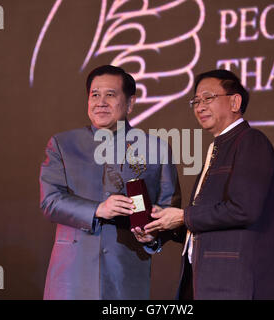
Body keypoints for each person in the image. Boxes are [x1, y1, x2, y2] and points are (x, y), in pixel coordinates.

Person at [39, 65, 181, 299]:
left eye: (110, 95)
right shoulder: (63, 144)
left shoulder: (156, 149)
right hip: (71, 279)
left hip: (126, 276)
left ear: (130, 103)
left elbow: (168, 208)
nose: (101, 102)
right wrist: (97, 209)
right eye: (95, 95)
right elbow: (50, 201)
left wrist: (153, 236)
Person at [143, 69, 274, 299]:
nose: (200, 106)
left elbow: (244, 209)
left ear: (235, 101)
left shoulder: (251, 141)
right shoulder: (217, 148)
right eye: (196, 101)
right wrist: (163, 224)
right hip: (200, 280)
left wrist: (182, 216)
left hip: (232, 284)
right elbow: (207, 218)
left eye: (208, 98)